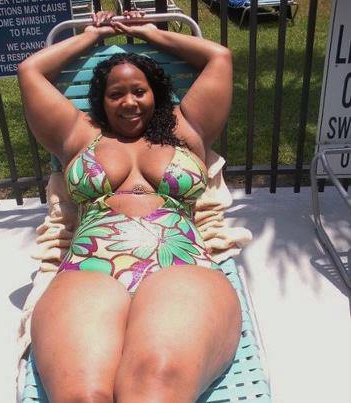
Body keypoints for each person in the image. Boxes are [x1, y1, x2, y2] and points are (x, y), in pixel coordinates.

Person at [18, 10, 241, 403]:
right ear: (101, 101)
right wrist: (93, 33)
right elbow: (30, 71)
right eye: (116, 94)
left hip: (180, 270)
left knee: (157, 385)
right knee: (83, 396)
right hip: (89, 272)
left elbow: (218, 57)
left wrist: (150, 32)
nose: (129, 102)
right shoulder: (78, 134)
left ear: (155, 91)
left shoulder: (186, 129)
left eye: (139, 90)